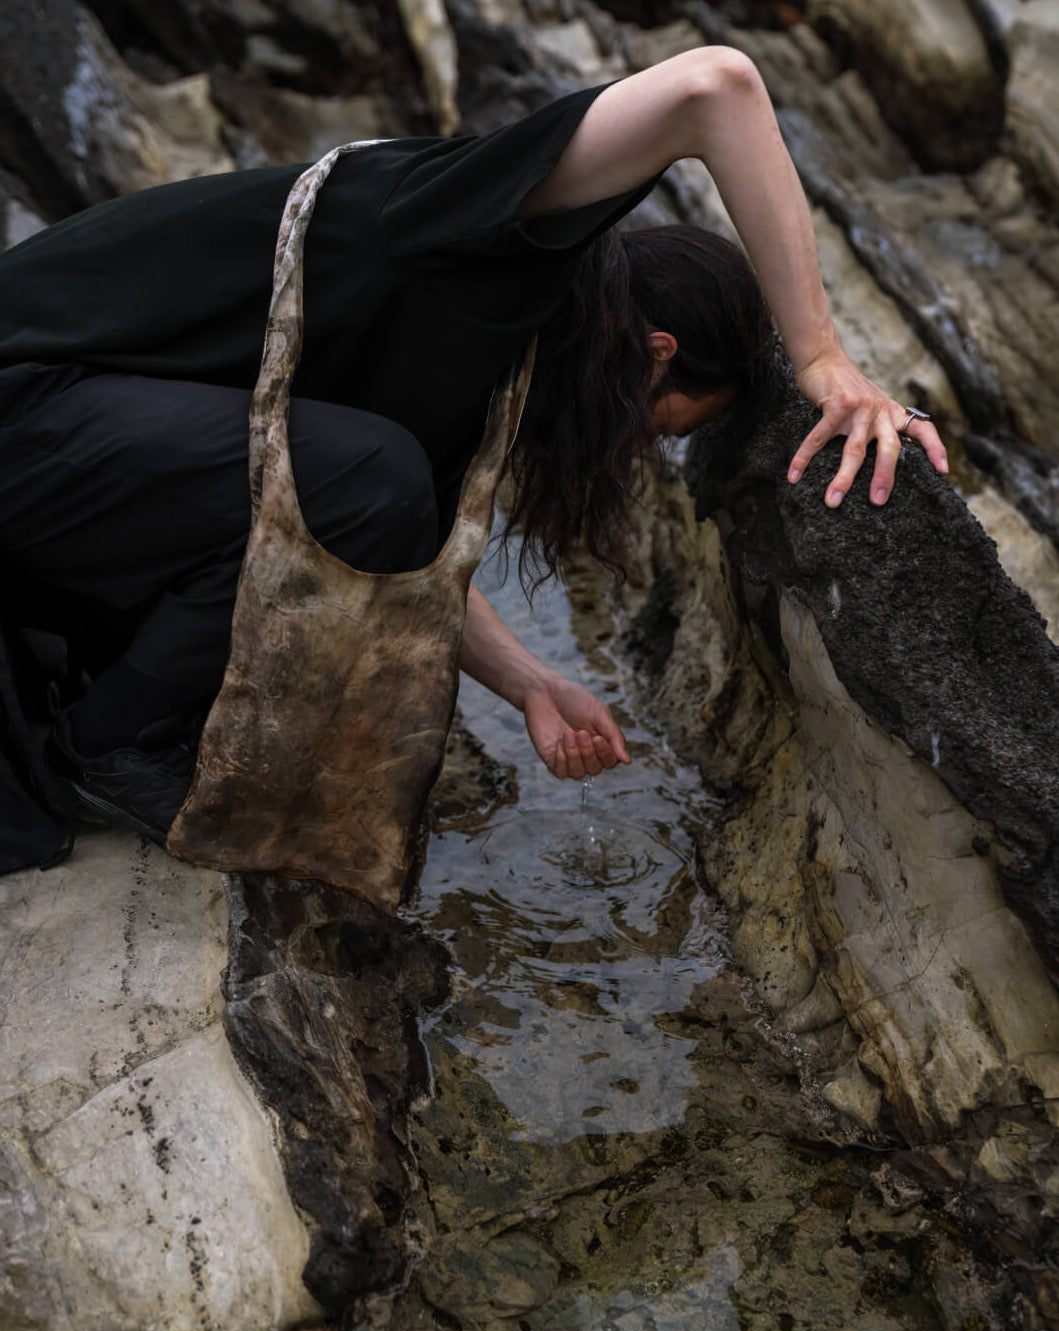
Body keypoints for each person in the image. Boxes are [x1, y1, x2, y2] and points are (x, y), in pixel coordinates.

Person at [0, 46, 947, 866]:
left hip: (63, 450)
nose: (643, 449)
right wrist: (823, 357)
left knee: (377, 488)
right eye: (666, 423)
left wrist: (532, 684)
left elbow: (405, 546)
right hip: (26, 402)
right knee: (370, 476)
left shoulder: (500, 371)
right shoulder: (484, 242)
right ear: (654, 353)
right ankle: (111, 742)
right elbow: (716, 84)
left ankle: (115, 713)